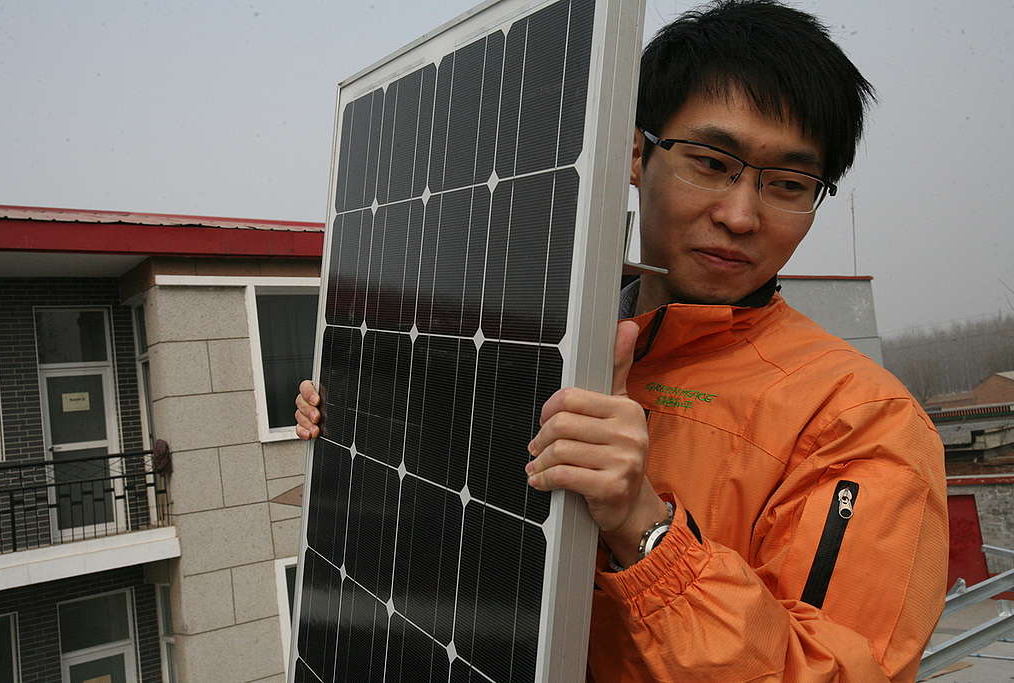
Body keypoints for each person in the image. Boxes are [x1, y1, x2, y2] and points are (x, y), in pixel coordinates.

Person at [295, 1, 947, 680]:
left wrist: (644, 526)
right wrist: (353, 421)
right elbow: (443, 517)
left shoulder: (860, 421)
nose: (740, 214)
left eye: (787, 183)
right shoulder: (546, 340)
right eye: (711, 161)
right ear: (636, 153)